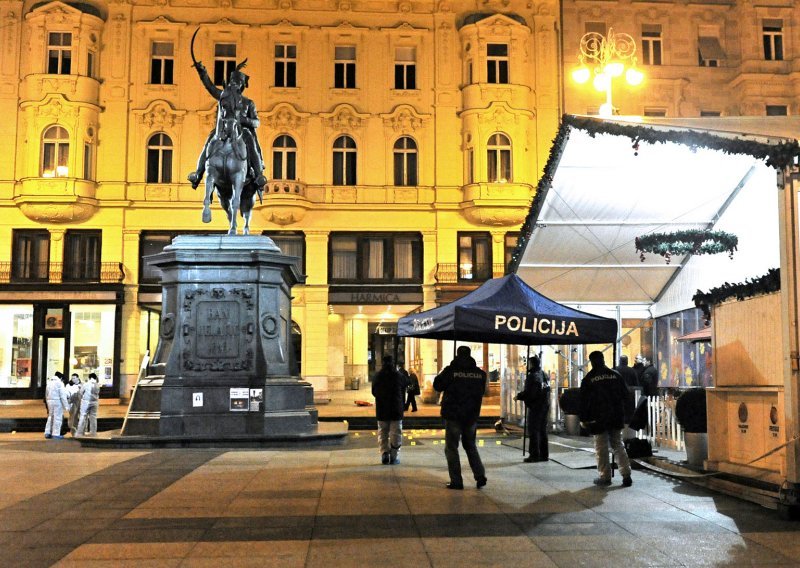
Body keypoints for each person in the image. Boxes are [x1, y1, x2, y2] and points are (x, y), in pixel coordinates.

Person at [187, 60, 266, 193]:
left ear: (241, 86)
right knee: (209, 141)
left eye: (237, 83)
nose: (233, 85)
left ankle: (259, 176)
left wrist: (243, 119)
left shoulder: (248, 103)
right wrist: (202, 72)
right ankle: (198, 174)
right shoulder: (224, 96)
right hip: (224, 130)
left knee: (251, 143)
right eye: (232, 82)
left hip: (242, 131)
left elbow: (256, 122)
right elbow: (210, 87)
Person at [433, 346, 488, 490]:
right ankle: (480, 475)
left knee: (451, 448)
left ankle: (457, 481)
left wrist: (447, 371)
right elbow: (481, 391)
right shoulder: (480, 374)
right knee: (471, 446)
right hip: (471, 416)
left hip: (454, 415)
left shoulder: (451, 371)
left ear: (457, 354)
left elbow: (437, 385)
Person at [579, 351, 633, 487]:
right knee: (618, 445)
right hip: (616, 416)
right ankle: (626, 474)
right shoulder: (616, 375)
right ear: (603, 359)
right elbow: (626, 395)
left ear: (591, 361)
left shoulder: (589, 378)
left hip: (599, 418)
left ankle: (605, 476)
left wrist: (584, 419)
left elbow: (584, 401)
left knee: (601, 447)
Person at [371, 356, 406, 465]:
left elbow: (374, 392)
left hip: (382, 409)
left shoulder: (377, 376)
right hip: (396, 409)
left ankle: (384, 453)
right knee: (396, 433)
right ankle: (394, 456)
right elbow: (406, 384)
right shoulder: (398, 375)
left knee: (383, 432)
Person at [515, 355, 550, 463]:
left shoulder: (532, 376)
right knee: (542, 430)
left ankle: (534, 455)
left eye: (528, 363)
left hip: (536, 406)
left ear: (532, 364)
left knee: (534, 430)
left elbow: (531, 393)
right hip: (544, 406)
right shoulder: (544, 374)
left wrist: (519, 396)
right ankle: (544, 454)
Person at [615, 355, 639, 425]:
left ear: (619, 361)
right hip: (629, 395)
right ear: (627, 361)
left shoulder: (614, 370)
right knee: (628, 413)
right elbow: (636, 384)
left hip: (617, 395)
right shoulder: (632, 371)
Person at [44, 372, 69, 439]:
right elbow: (62, 395)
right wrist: (66, 406)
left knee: (50, 417)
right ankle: (56, 433)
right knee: (57, 418)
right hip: (57, 401)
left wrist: (47, 402)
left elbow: (46, 394)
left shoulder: (49, 383)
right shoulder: (60, 383)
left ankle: (47, 432)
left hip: (49, 401)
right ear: (60, 378)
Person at [76, 373, 100, 437]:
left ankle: (80, 433)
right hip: (95, 402)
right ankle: (93, 432)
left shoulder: (86, 384)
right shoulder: (97, 385)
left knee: (83, 417)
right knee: (93, 418)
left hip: (86, 402)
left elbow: (80, 392)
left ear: (89, 378)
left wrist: (80, 400)